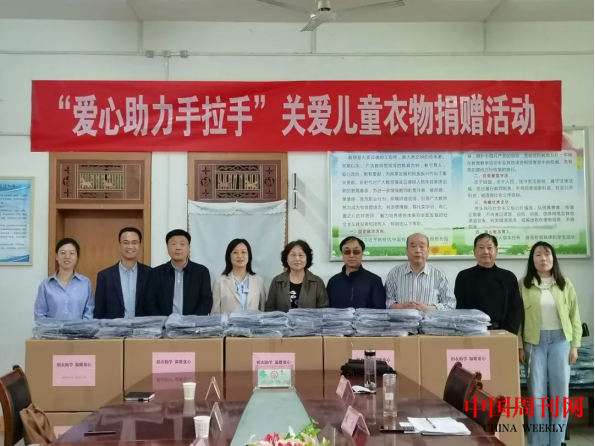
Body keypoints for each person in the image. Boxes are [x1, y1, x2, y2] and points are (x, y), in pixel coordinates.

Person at [518, 241, 582, 446]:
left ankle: (557, 441)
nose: (543, 258)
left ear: (553, 258)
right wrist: (519, 345)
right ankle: (538, 441)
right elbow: (518, 318)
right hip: (533, 342)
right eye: (538, 255)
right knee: (537, 394)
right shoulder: (524, 284)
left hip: (561, 342)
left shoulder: (565, 284)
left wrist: (574, 345)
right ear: (532, 260)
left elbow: (574, 316)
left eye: (547, 254)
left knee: (560, 394)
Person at [454, 233, 523, 332]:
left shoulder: (508, 277)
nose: (485, 251)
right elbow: (460, 309)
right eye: (481, 248)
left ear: (496, 251)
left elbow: (515, 309)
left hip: (503, 333)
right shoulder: (463, 277)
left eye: (489, 247)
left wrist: (508, 333)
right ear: (474, 252)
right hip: (472, 333)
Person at [145, 229, 212, 316]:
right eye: (173, 244)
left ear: (189, 248)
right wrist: (162, 321)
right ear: (167, 248)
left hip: (193, 323)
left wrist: (193, 320)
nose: (178, 248)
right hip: (163, 323)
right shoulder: (156, 273)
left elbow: (206, 300)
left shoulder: (201, 271)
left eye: (182, 244)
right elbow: (150, 302)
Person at [385, 233, 455, 311]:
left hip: (430, 319)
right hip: (402, 318)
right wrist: (402, 307)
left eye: (422, 246)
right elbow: (387, 302)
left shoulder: (438, 274)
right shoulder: (394, 273)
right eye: (413, 246)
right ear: (407, 250)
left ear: (428, 251)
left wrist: (427, 308)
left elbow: (450, 304)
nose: (417, 250)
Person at [94, 227, 151, 319]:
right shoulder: (105, 276)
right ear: (119, 245)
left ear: (140, 245)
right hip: (114, 327)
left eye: (134, 242)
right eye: (125, 242)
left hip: (143, 327)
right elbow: (99, 311)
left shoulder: (151, 274)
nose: (130, 246)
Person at [34, 238, 93, 320]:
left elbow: (89, 313)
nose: (67, 256)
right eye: (62, 253)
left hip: (80, 329)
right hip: (52, 329)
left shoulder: (85, 283)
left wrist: (79, 327)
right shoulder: (46, 285)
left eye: (72, 253)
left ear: (77, 257)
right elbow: (40, 315)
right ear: (56, 256)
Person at [266, 240, 328, 312]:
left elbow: (324, 311)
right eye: (293, 255)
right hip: (282, 320)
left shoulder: (317, 282)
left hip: (310, 320)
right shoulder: (277, 281)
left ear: (307, 258)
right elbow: (269, 309)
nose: (297, 259)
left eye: (301, 255)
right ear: (286, 258)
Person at [327, 236, 385, 309]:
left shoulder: (374, 281)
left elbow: (380, 311)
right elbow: (327, 310)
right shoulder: (333, 282)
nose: (351, 255)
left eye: (356, 252)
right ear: (342, 254)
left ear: (362, 254)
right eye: (347, 252)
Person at [211, 239, 266, 314]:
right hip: (228, 322)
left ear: (249, 255)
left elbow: (263, 310)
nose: (240, 256)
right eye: (235, 252)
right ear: (229, 256)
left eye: (243, 252)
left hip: (253, 322)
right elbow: (215, 313)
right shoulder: (220, 282)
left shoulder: (258, 281)